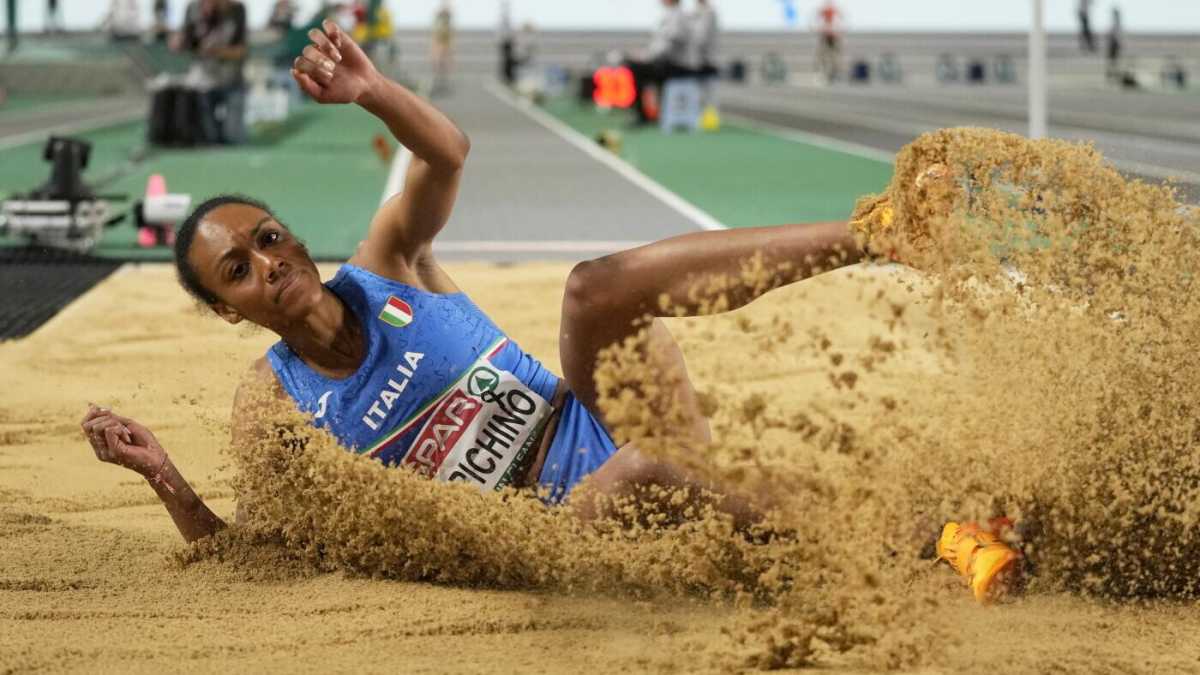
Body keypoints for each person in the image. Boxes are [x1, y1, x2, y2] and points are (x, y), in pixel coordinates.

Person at [78, 19, 1024, 603]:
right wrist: (167, 477)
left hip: (607, 422)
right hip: (560, 529)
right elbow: (256, 555)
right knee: (642, 474)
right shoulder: (275, 407)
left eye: (271, 239)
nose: (270, 265)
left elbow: (445, 156)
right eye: (239, 271)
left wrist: (372, 92)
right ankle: (928, 533)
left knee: (592, 286)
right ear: (231, 310)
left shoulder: (388, 263)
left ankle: (881, 231)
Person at [174, 0, 249, 144]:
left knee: (234, 137)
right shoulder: (193, 9)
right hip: (203, 83)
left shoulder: (237, 10)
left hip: (232, 80)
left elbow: (242, 51)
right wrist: (179, 43)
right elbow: (187, 42)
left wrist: (217, 51)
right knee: (208, 139)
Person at [623, 0, 693, 125]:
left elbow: (667, 45)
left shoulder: (679, 17)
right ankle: (644, 113)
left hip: (676, 66)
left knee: (635, 68)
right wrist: (644, 55)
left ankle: (642, 115)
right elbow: (658, 45)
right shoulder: (669, 15)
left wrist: (646, 57)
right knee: (634, 65)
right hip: (666, 63)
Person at [813, 0, 843, 83]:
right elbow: (817, 19)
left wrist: (836, 28)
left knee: (833, 56)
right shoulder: (825, 11)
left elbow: (840, 20)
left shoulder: (833, 11)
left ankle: (833, 73)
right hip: (826, 35)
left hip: (832, 35)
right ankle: (823, 73)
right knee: (823, 55)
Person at [689, 0, 719, 77]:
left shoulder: (708, 12)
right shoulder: (694, 11)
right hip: (698, 62)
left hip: (704, 62)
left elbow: (701, 38)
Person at [430, 1, 454, 95]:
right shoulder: (439, 19)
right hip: (440, 40)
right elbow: (436, 34)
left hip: (444, 41)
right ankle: (438, 83)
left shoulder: (447, 20)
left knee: (444, 63)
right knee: (437, 62)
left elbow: (449, 35)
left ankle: (442, 83)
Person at [1106, 6, 1123, 85]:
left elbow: (1116, 35)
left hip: (1114, 43)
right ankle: (1112, 74)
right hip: (1113, 43)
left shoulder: (1117, 23)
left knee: (1113, 60)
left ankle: (1112, 75)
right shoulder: (1116, 23)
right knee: (1112, 60)